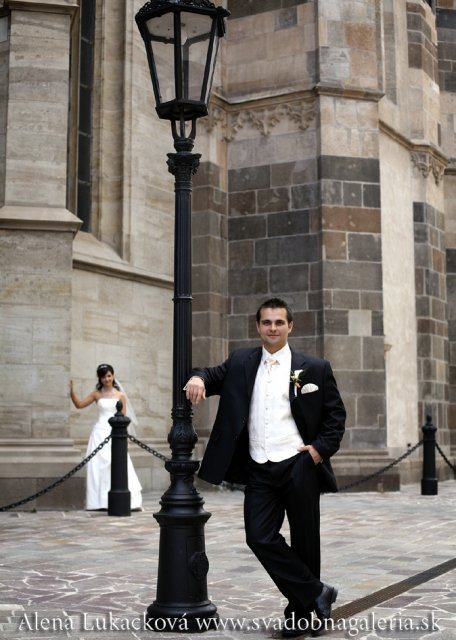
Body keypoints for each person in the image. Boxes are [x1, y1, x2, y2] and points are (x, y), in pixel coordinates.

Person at [185, 298, 346, 637]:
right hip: (259, 466)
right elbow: (209, 375)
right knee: (258, 536)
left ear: (290, 326)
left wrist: (318, 451)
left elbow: (335, 417)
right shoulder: (240, 361)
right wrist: (197, 378)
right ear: (258, 326)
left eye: (279, 322)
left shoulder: (314, 368)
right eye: (267, 322)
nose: (273, 328)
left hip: (299, 463)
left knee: (305, 541)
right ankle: (318, 592)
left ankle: (301, 615)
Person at [70, 364, 142, 511]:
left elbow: (124, 418)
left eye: (109, 376)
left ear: (113, 376)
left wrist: (125, 439)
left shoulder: (120, 395)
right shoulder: (96, 394)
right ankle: (98, 502)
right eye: (103, 376)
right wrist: (71, 391)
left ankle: (126, 500)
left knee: (118, 465)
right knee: (97, 467)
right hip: (99, 434)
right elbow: (79, 405)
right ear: (99, 378)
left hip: (115, 433)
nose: (106, 379)